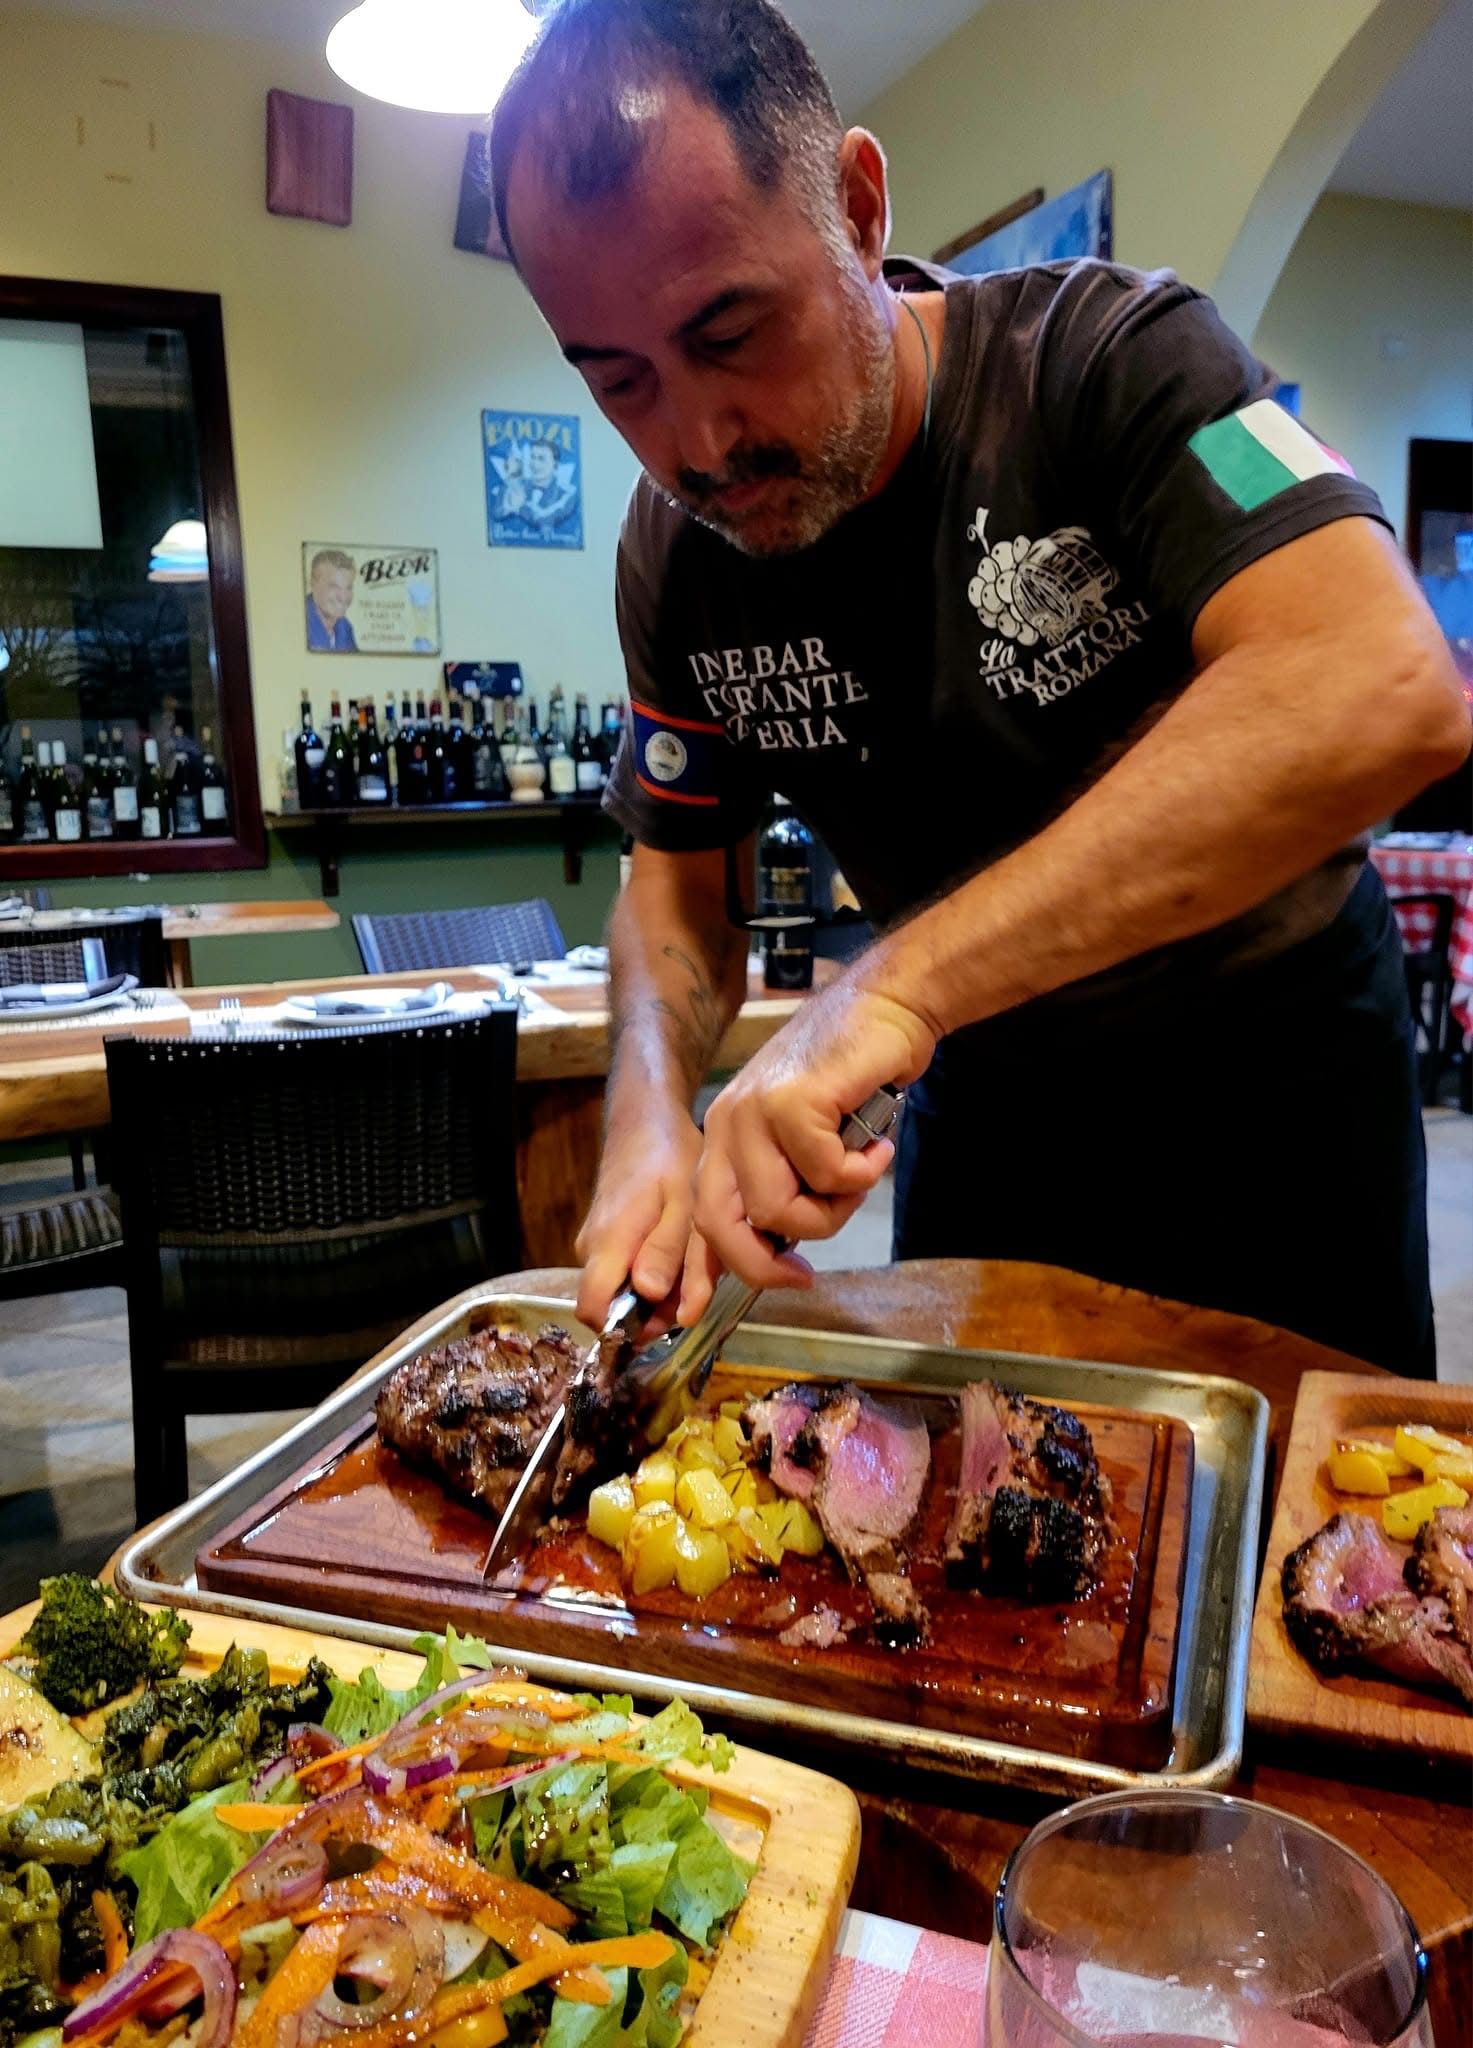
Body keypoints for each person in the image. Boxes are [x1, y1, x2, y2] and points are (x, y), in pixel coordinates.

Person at [490, 0, 1470, 1374]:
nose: (696, 441)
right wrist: (649, 1112)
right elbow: (675, 879)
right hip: (986, 1110)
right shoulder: (679, 556)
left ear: (857, 203)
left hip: (1278, 1080)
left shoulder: (1116, 364)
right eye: (620, 381)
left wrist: (886, 995)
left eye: (729, 333)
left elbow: (1379, 682)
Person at [306, 548, 359, 652]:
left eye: (348, 587)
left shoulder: (345, 627)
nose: (343, 597)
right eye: (334, 586)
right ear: (312, 583)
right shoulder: (301, 623)